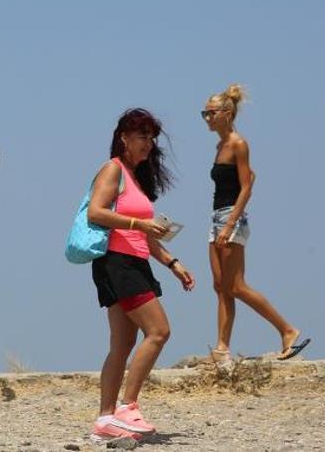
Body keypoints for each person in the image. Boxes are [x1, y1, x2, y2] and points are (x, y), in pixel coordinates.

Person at [86, 108, 196, 441]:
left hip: (133, 262)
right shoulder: (113, 170)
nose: (148, 143)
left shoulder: (136, 177)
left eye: (151, 137)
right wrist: (138, 223)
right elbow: (96, 211)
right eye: (142, 136)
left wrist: (174, 264)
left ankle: (106, 421)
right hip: (117, 263)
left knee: (121, 344)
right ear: (124, 137)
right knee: (159, 331)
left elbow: (146, 238)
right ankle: (127, 407)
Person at [202, 85, 309, 362]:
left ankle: (287, 329)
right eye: (204, 114)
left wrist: (229, 225)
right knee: (219, 285)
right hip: (216, 217)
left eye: (210, 113)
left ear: (227, 113)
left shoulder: (238, 143)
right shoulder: (219, 146)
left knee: (236, 286)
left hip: (230, 218)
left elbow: (246, 187)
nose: (207, 118)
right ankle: (221, 348)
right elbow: (250, 177)